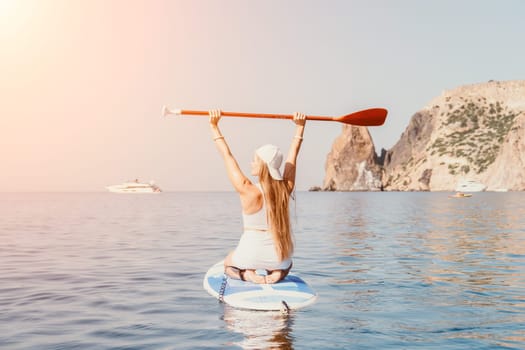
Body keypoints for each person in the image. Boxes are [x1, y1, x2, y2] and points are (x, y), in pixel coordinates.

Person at [209, 109, 306, 284]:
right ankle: (277, 274)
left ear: (263, 165)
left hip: (249, 254)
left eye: (254, 160)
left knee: (228, 263)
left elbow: (227, 156)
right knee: (287, 263)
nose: (251, 163)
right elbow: (293, 156)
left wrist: (214, 126)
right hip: (278, 257)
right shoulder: (285, 189)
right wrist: (300, 128)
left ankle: (247, 275)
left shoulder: (247, 190)